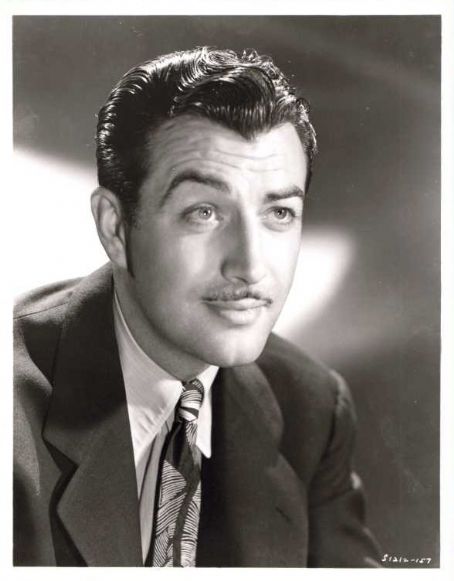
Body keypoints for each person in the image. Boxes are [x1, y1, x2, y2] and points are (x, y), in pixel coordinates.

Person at [13, 46, 381, 567]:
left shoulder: (312, 409)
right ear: (115, 229)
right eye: (204, 212)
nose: (250, 266)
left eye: (279, 212)